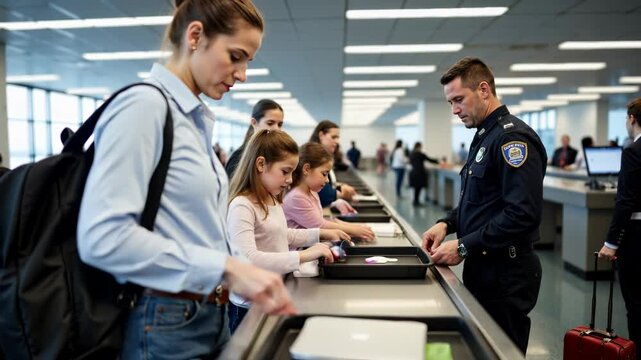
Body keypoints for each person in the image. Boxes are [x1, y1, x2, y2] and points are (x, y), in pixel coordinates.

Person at [76, 1, 295, 358]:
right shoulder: (144, 108)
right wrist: (226, 266)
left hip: (207, 313)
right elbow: (102, 237)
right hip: (165, 319)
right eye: (236, 56)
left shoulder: (191, 121)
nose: (242, 75)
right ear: (195, 36)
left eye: (247, 62)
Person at [421, 57, 545, 355]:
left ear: (484, 90)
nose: (454, 110)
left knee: (500, 351)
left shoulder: (511, 139)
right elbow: (481, 200)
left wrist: (462, 246)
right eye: (450, 103)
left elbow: (522, 214)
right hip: (485, 265)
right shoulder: (486, 136)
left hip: (507, 272)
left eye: (459, 100)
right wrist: (447, 224)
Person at [226, 130, 348, 333]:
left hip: (274, 293)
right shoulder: (242, 205)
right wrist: (303, 255)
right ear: (260, 164)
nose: (291, 179)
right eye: (285, 171)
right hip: (248, 306)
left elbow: (282, 234)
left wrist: (319, 235)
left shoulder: (271, 198)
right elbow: (248, 259)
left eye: (292, 172)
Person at [599, 97, 641, 358]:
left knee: (636, 303)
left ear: (632, 119)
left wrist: (610, 243)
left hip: (638, 239)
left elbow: (625, 201)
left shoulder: (633, 151)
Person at [283, 142, 375, 240]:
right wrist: (355, 230)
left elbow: (323, 221)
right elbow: (320, 225)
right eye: (324, 174)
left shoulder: (312, 192)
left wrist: (357, 227)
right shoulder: (297, 197)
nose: (327, 180)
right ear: (306, 169)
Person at [225, 99, 284, 178]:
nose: (277, 129)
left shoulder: (275, 153)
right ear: (254, 123)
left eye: (279, 124)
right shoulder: (239, 157)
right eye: (270, 123)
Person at [309, 120, 357, 210]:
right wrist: (343, 194)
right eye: (333, 137)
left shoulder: (325, 157)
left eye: (338, 138)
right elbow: (323, 194)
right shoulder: (313, 158)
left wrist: (340, 186)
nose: (337, 141)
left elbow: (327, 183)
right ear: (321, 135)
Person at [408, 142, 439, 206]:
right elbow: (429, 160)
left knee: (416, 188)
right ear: (419, 146)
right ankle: (416, 201)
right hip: (419, 173)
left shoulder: (411, 154)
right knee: (418, 188)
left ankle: (415, 201)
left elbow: (410, 162)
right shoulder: (420, 154)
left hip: (413, 172)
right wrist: (438, 161)